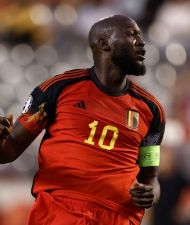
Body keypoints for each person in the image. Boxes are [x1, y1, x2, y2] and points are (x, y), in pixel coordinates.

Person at [0, 14, 165, 225]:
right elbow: (8, 150)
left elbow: (150, 176)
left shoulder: (152, 110)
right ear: (104, 44)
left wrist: (152, 193)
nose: (141, 43)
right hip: (60, 211)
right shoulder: (57, 90)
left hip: (119, 217)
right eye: (131, 35)